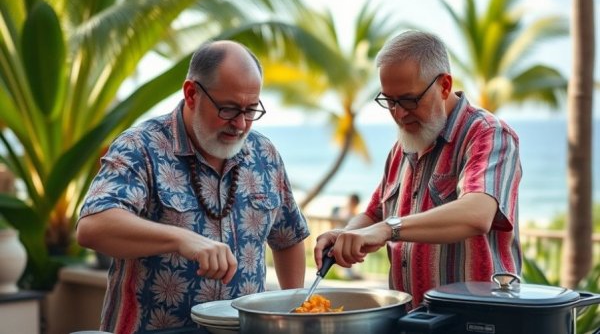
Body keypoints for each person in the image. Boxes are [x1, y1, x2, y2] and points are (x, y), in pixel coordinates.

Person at [76, 40, 310, 333]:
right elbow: (93, 227)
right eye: (228, 109)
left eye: (251, 110)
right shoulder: (140, 147)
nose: (240, 124)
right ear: (191, 94)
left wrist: (294, 316)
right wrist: (180, 239)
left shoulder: (264, 153)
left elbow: (288, 238)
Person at [314, 30, 522, 308]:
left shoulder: (488, 134)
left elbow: (477, 213)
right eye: (389, 101)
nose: (398, 114)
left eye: (409, 100)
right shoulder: (404, 146)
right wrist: (346, 234)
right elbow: (375, 212)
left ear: (445, 86)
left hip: (476, 320)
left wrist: (389, 229)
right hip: (414, 319)